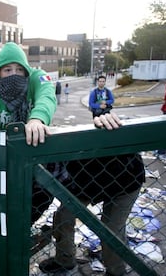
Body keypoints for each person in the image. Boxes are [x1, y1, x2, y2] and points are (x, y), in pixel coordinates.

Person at [39, 112, 146, 276]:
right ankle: (64, 261)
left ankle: (116, 272)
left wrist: (107, 118)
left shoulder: (79, 148)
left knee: (112, 229)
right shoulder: (52, 165)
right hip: (85, 183)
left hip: (125, 182)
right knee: (63, 216)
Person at [0, 42, 58, 233]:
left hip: (37, 162)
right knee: (4, 209)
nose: (14, 74)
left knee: (40, 200)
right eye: (7, 69)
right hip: (6, 165)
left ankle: (23, 230)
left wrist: (37, 119)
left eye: (19, 69)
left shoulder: (36, 78)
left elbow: (47, 96)